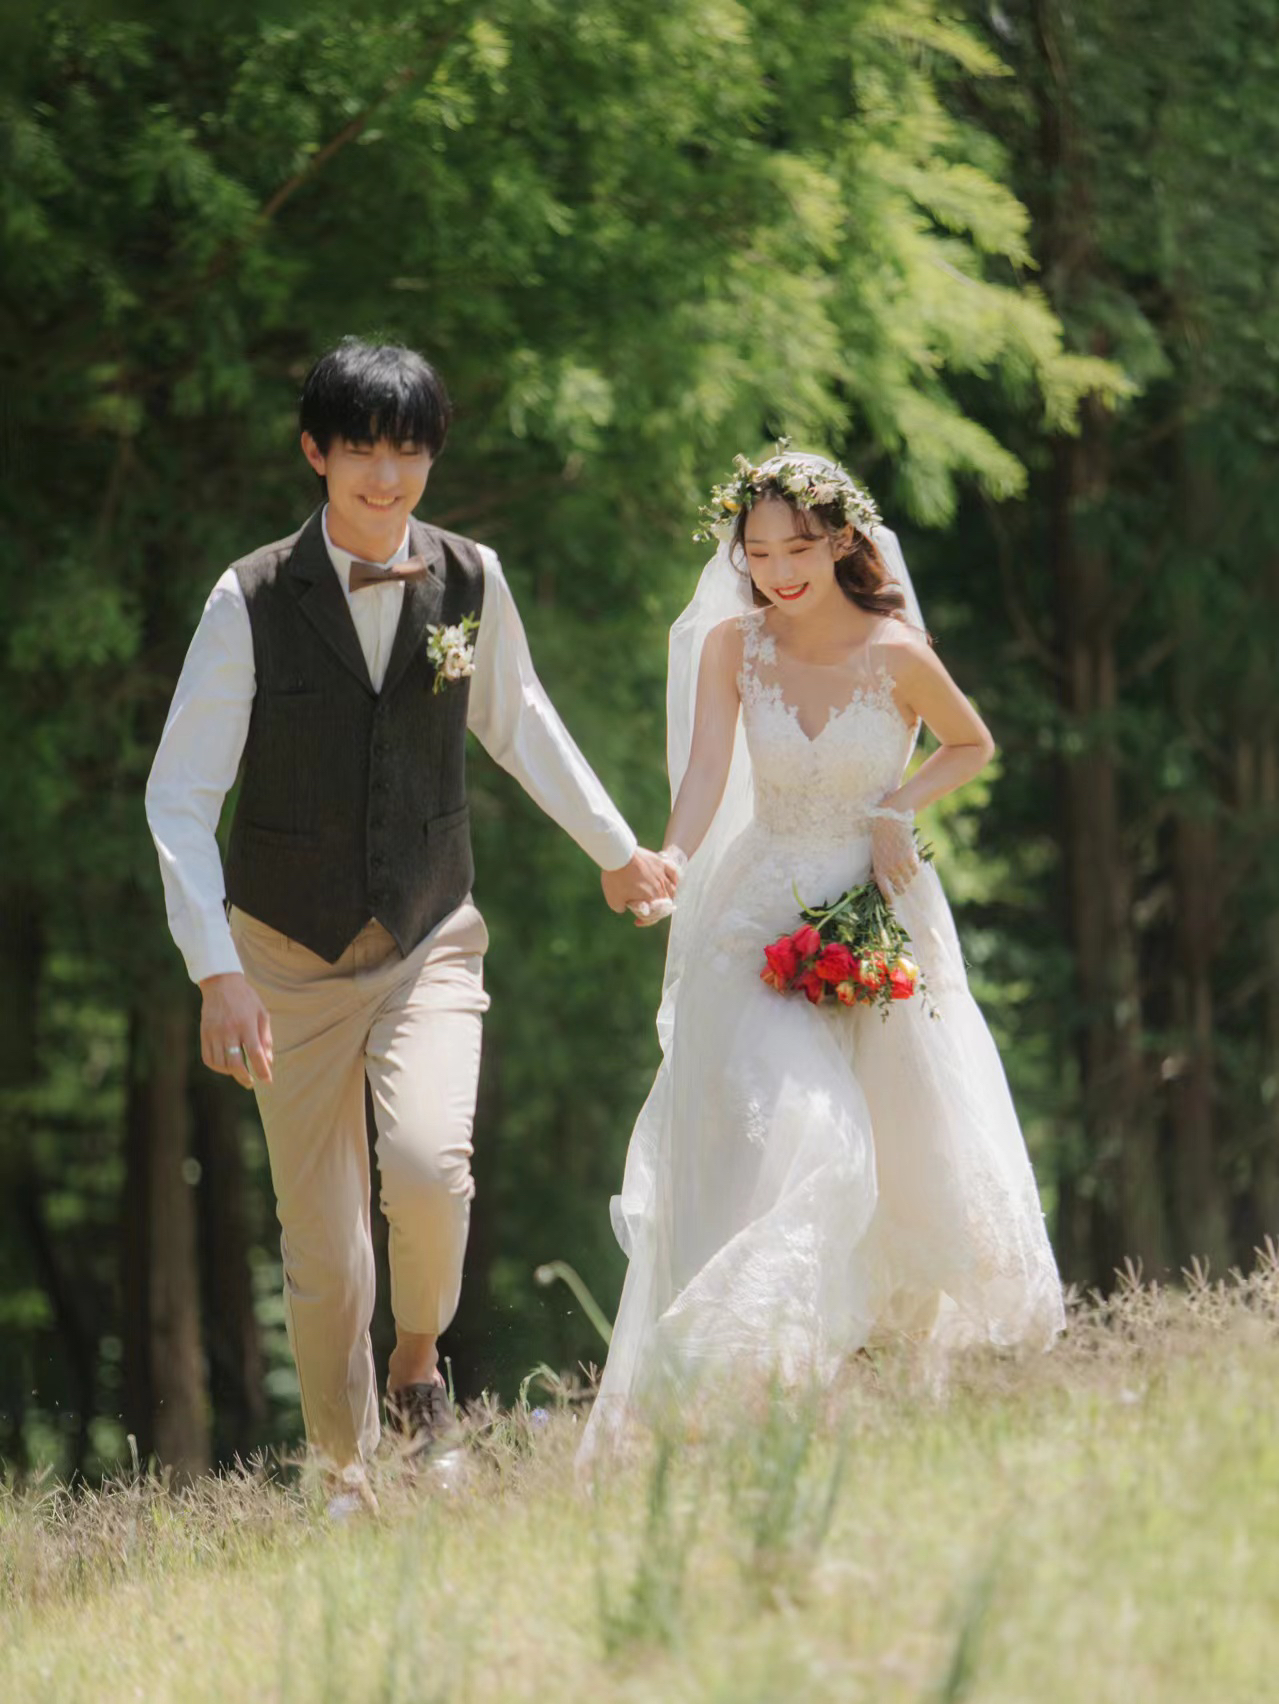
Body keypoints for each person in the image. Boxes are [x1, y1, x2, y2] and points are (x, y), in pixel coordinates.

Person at [146, 337, 676, 1498]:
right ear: (315, 453)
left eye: (408, 452)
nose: (385, 478)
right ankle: (349, 1475)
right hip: (281, 958)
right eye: (361, 452)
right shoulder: (247, 599)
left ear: (432, 455)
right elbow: (179, 796)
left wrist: (618, 849)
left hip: (430, 933)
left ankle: (419, 1358)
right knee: (325, 1251)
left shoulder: (470, 579)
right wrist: (216, 970)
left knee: (432, 1168)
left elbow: (521, 720)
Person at [580, 448, 1064, 1461]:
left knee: (900, 1147)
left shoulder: (895, 650)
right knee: (793, 1125)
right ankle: (740, 1367)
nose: (776, 572)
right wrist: (671, 860)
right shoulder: (733, 646)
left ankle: (850, 1389)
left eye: (796, 549)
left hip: (872, 906)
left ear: (841, 539)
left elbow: (970, 743)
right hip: (757, 909)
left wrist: (896, 806)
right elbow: (706, 773)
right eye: (756, 553)